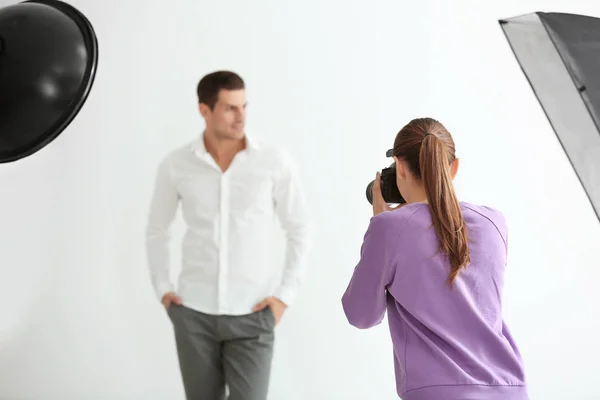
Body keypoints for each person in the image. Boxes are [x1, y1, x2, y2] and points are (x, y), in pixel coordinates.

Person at [145, 70, 311, 400]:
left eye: (244, 106)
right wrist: (164, 290)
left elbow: (299, 228)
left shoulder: (273, 162)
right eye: (230, 108)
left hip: (253, 315)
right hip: (193, 314)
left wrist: (283, 297)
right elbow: (157, 230)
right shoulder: (177, 164)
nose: (241, 117)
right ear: (204, 111)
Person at [341, 117, 528, 400]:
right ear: (453, 168)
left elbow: (361, 315)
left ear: (400, 167)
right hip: (509, 390)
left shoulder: (389, 229)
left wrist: (380, 229)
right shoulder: (494, 222)